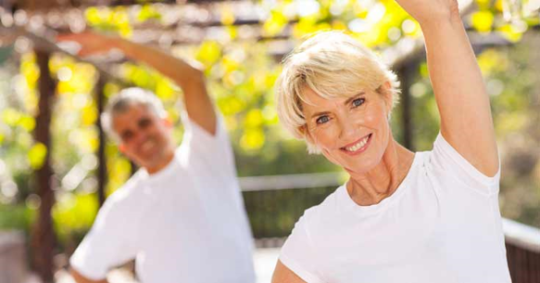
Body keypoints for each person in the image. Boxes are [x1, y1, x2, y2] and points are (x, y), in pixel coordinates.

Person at [271, 0, 511, 282]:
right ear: (308, 134)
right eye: (323, 118)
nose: (348, 131)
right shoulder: (316, 233)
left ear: (384, 94)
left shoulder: (459, 173)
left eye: (356, 102)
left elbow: (442, 15)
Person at [57, 32, 256, 283]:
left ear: (165, 122)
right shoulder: (124, 204)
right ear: (124, 149)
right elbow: (83, 270)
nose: (140, 136)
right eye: (128, 134)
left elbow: (192, 78)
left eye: (144, 123)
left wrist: (118, 44)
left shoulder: (206, 154)